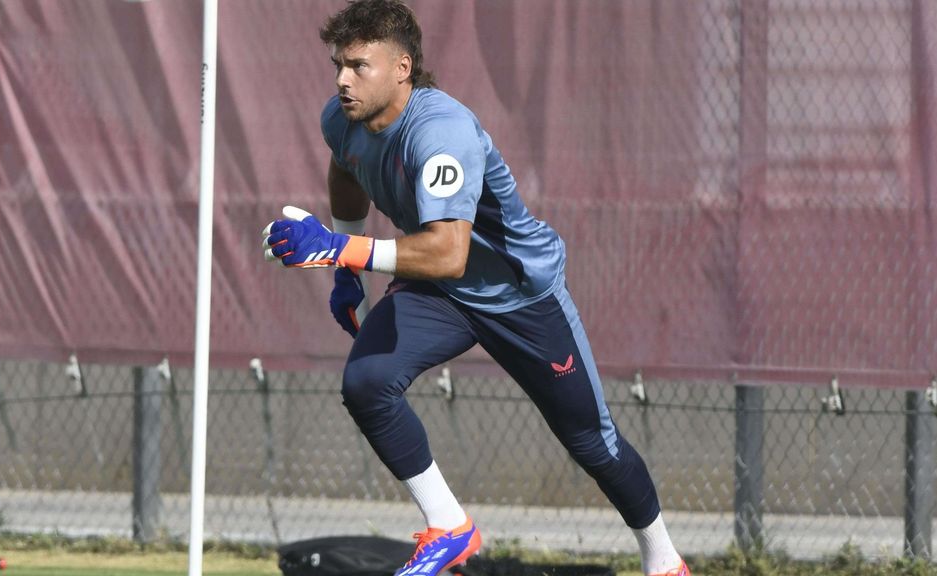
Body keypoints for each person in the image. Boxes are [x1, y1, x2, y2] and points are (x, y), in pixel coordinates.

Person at [262, 1, 690, 575]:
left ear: (402, 68)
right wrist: (346, 268)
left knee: (593, 443)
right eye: (339, 64)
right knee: (366, 381)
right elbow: (347, 167)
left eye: (359, 65)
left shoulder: (443, 131)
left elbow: (447, 250)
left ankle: (663, 561)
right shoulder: (342, 119)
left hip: (519, 295)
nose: (342, 79)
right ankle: (449, 526)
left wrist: (337, 249)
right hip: (440, 294)